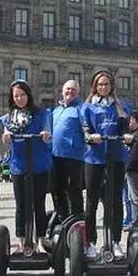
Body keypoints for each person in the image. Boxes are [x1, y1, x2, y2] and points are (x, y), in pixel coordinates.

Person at [81, 68, 131, 261]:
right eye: (100, 84)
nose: (103, 87)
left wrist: (126, 135)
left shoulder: (120, 106)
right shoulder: (87, 107)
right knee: (92, 201)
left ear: (111, 87)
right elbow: (84, 128)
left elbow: (125, 127)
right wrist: (89, 136)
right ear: (95, 86)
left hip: (115, 156)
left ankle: (115, 240)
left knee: (115, 200)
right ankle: (91, 242)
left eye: (106, 84)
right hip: (94, 157)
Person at [0, 80, 52, 253]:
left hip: (39, 164)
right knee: (21, 205)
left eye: (22, 95)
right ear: (12, 98)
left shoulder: (41, 114)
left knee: (39, 203)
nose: (19, 98)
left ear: (28, 95)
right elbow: (6, 134)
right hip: (19, 165)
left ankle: (41, 241)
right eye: (16, 96)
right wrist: (6, 136)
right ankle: (21, 241)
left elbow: (47, 131)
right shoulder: (8, 118)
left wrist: (46, 135)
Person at [51, 80, 86, 220]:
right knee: (56, 188)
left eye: (73, 90)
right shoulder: (56, 110)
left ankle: (77, 217)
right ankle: (61, 216)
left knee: (73, 188)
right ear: (62, 91)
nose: (70, 92)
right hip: (55, 154)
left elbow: (87, 129)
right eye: (67, 89)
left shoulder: (81, 109)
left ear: (78, 93)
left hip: (73, 155)